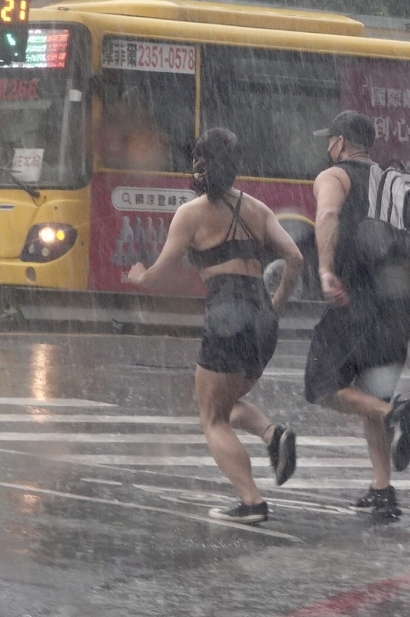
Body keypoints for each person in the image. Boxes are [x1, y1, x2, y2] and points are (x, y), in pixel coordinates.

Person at [128, 128, 304, 524]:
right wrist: (276, 304)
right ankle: (273, 435)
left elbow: (159, 276)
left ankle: (252, 501)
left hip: (227, 316)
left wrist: (140, 277)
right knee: (225, 403)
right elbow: (295, 258)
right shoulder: (258, 209)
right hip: (262, 319)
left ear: (200, 166)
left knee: (212, 418)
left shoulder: (190, 215)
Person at [304, 110, 410, 523]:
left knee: (321, 385)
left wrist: (324, 270)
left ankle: (397, 414)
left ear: (339, 142)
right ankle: (382, 490)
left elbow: (327, 215)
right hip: (398, 303)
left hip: (354, 300)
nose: (326, 148)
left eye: (329, 141)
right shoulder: (397, 183)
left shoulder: (334, 176)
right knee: (374, 395)